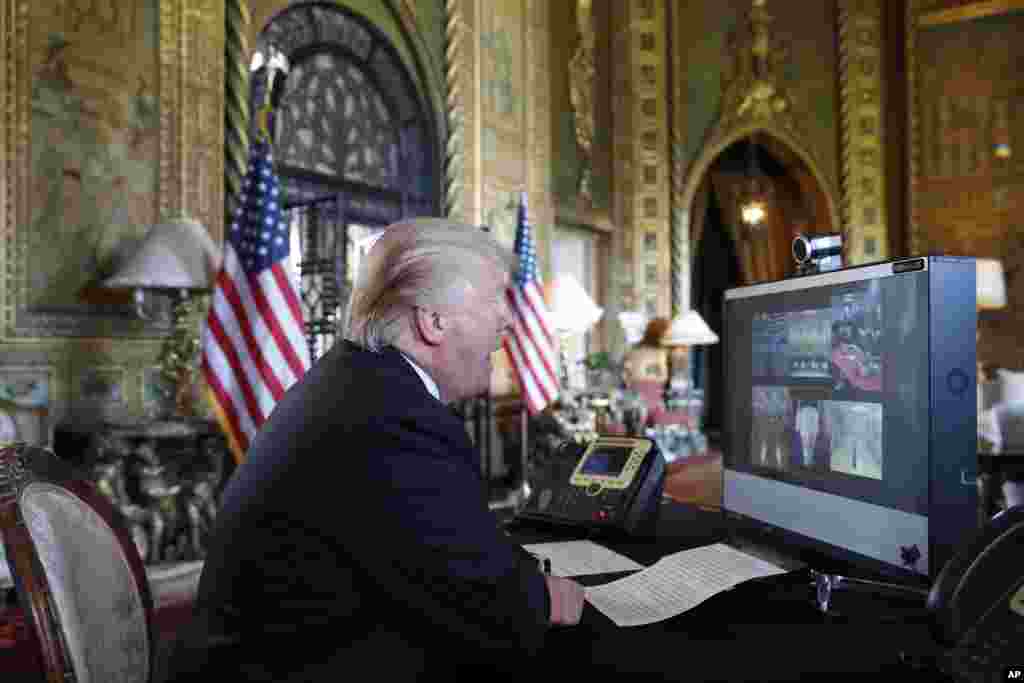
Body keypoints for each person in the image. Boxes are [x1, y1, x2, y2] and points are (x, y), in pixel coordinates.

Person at [164, 218, 585, 682]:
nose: (509, 319)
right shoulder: (394, 417)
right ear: (433, 320)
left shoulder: (358, 383)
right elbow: (486, 604)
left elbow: (438, 555)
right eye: (495, 300)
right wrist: (547, 596)